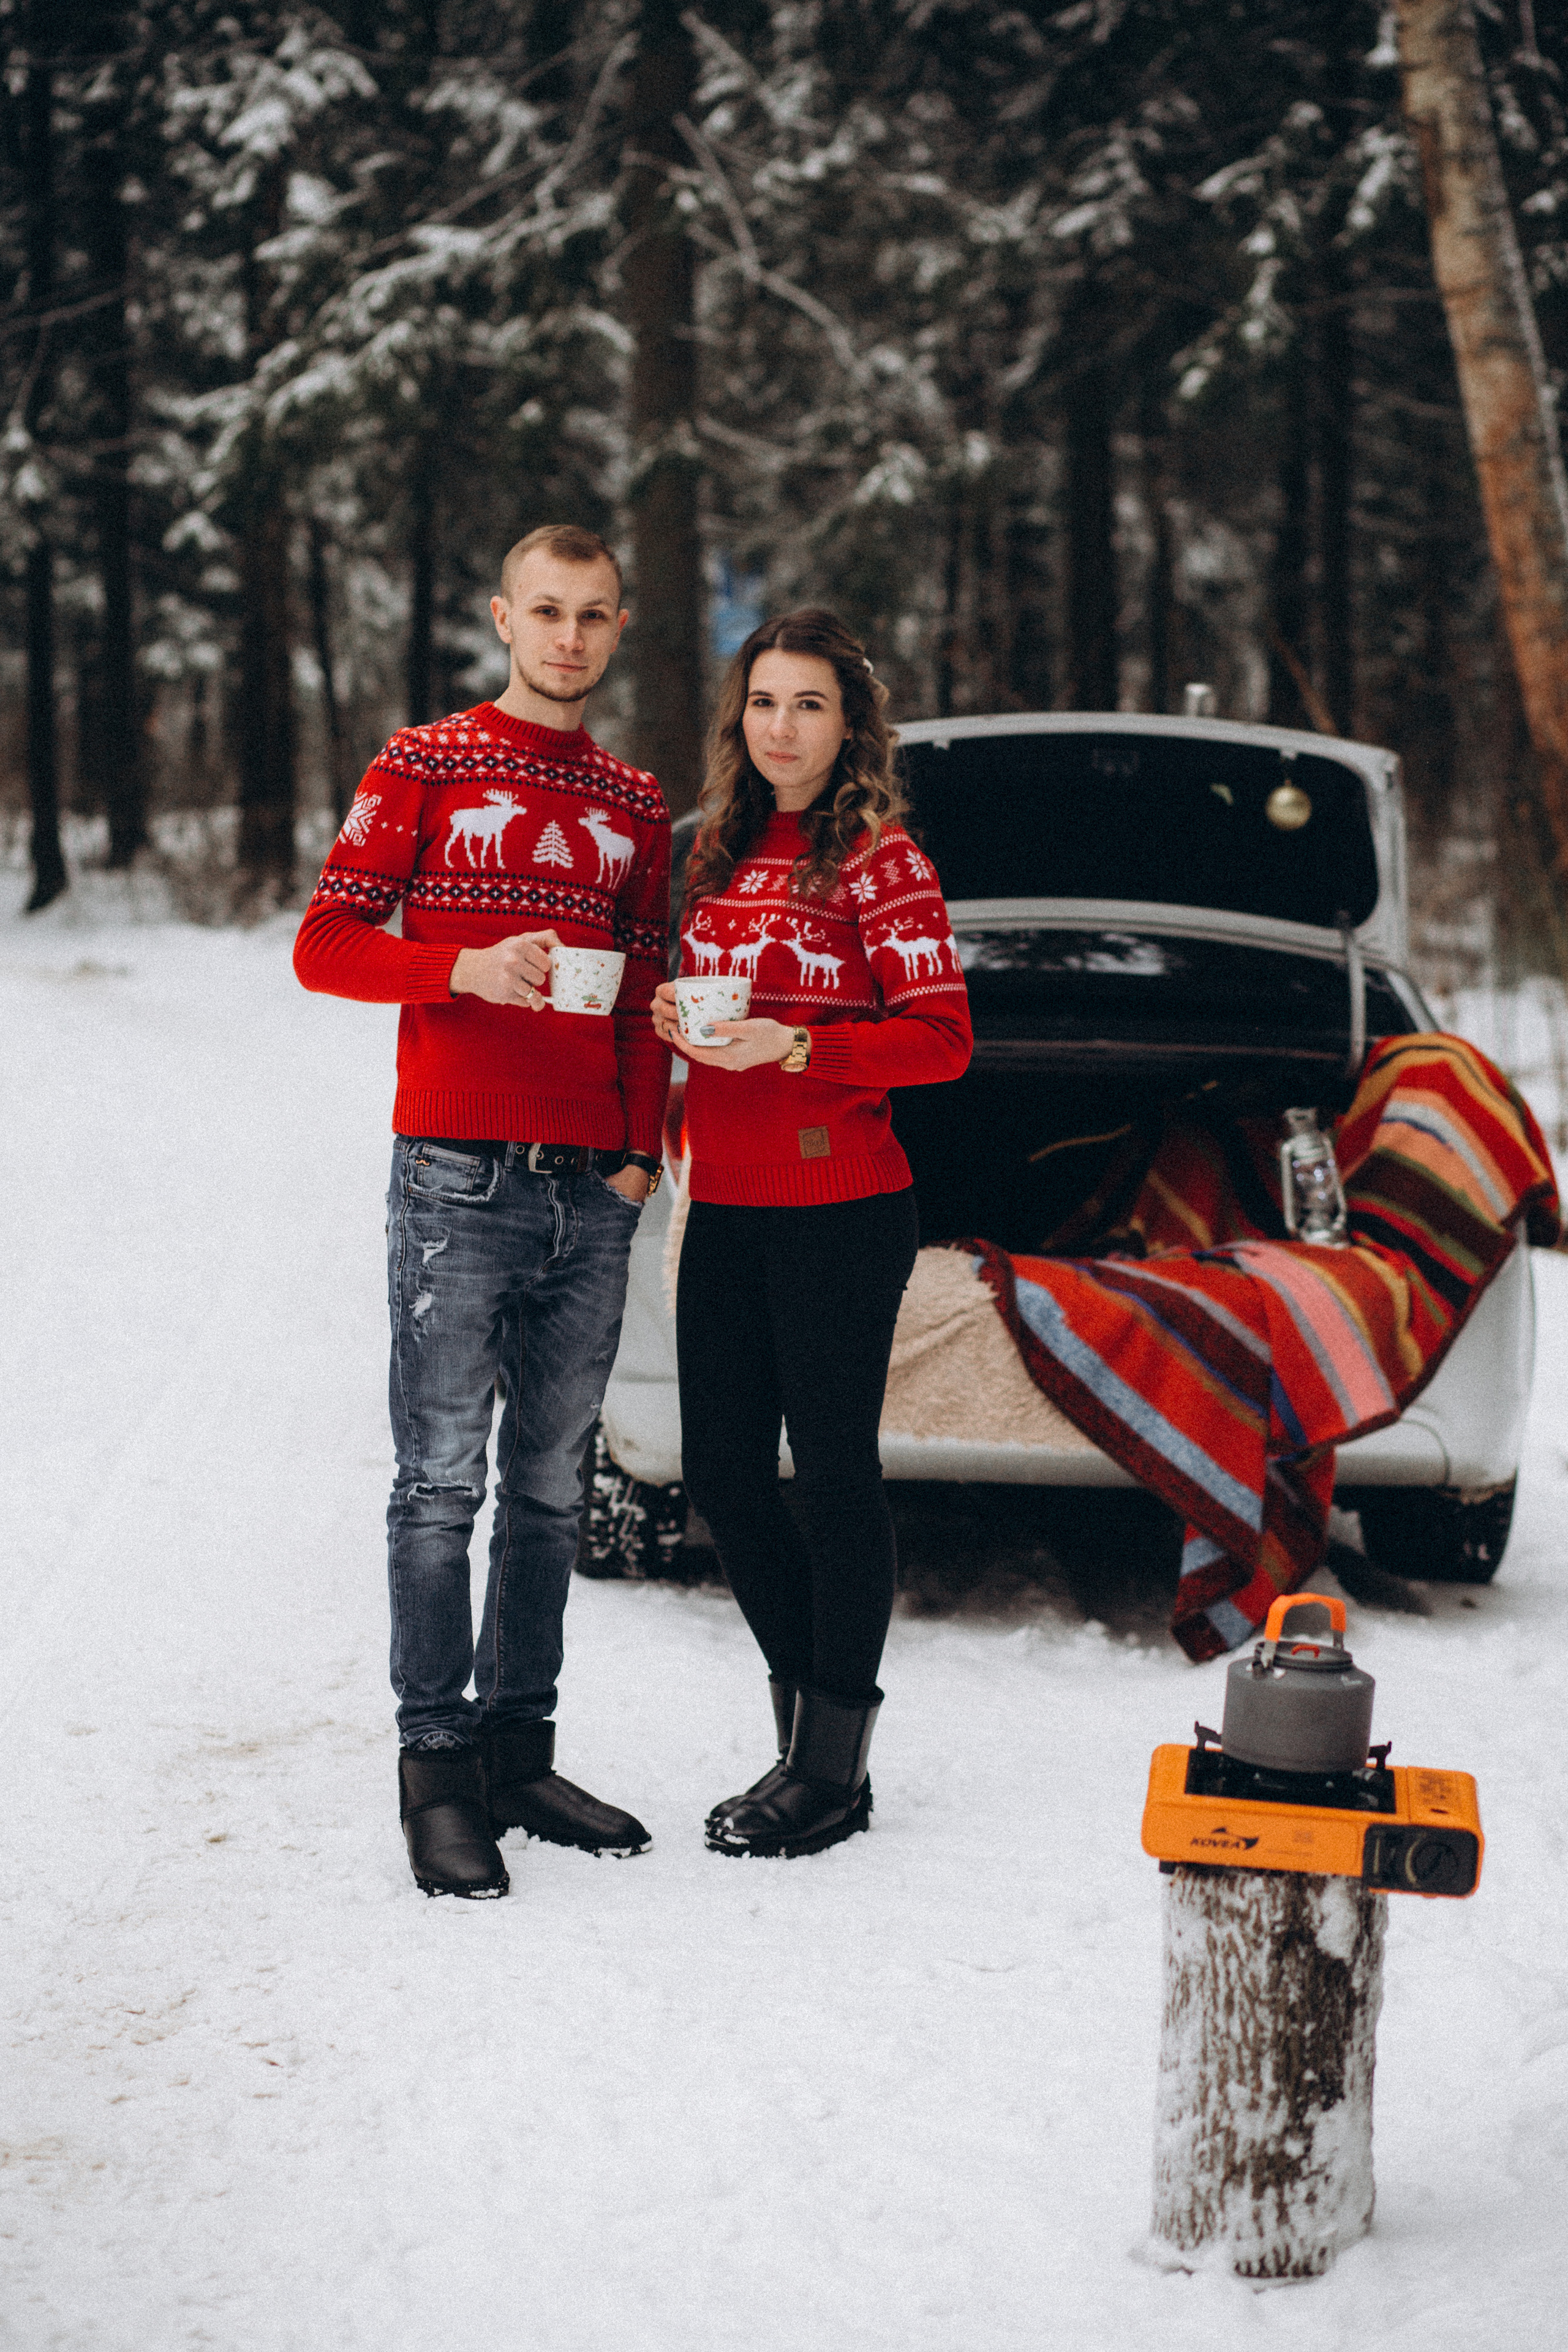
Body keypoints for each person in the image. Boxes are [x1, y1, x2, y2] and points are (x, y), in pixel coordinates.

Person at [295, 524, 671, 1899]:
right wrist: (462, 966)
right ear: (501, 617)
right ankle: (435, 1769)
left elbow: (644, 1001)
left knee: (550, 1489)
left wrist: (640, 1157)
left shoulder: (633, 802)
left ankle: (522, 1750)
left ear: (617, 628)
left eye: (594, 615)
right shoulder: (423, 766)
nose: (568, 637)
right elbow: (326, 945)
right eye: (546, 611)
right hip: (455, 1173)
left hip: (593, 1189)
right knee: (439, 1483)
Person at [652, 609, 972, 1858]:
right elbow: (705, 1014)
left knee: (833, 1471)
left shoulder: (880, 861)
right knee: (724, 1475)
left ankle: (828, 1769)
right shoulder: (717, 855)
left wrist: (796, 1046)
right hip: (723, 1198)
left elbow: (940, 1041)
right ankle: (809, 1743)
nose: (779, 726)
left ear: (851, 728)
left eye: (808, 705)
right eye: (764, 702)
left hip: (840, 1202)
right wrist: (684, 1019)